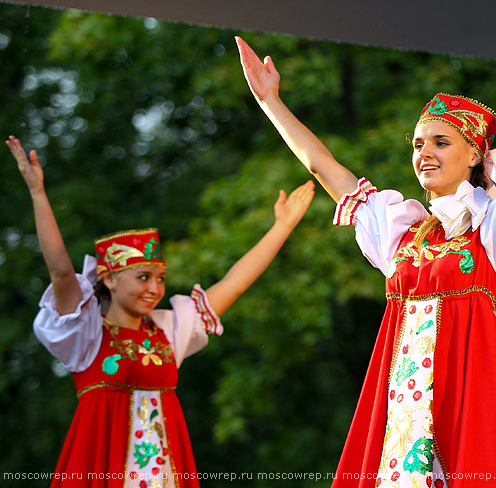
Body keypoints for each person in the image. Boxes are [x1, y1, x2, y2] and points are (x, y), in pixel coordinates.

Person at [237, 0, 496, 487]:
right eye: (418, 143)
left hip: (468, 394)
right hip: (402, 398)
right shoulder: (401, 229)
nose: (425, 153)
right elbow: (323, 168)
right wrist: (270, 101)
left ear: (475, 153)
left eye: (440, 142)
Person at [6, 134, 314, 487]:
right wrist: (37, 194)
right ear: (109, 280)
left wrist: (283, 226)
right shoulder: (86, 333)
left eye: (160, 278)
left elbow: (235, 283)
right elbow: (60, 270)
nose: (154, 288)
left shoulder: (169, 329)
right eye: (143, 277)